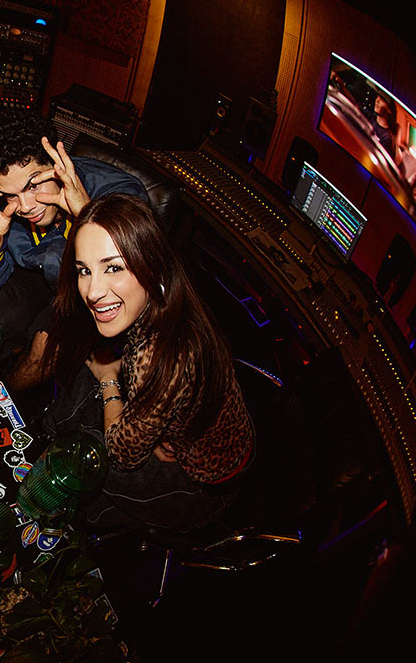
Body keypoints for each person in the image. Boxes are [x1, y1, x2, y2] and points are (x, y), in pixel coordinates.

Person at [37, 194, 255, 532]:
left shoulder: (159, 357)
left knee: (87, 456)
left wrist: (109, 380)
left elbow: (123, 454)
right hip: (199, 438)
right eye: (84, 270)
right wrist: (157, 429)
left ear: (150, 262)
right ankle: (47, 439)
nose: (93, 291)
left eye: (113, 268)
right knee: (90, 369)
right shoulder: (172, 298)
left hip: (201, 486)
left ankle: (74, 530)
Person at [0, 111, 148, 371]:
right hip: (39, 272)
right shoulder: (6, 208)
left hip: (86, 284)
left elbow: (129, 273)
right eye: (11, 195)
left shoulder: (121, 194)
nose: (26, 207)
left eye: (33, 186)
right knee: (0, 319)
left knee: (42, 352)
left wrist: (85, 213)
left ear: (55, 164)